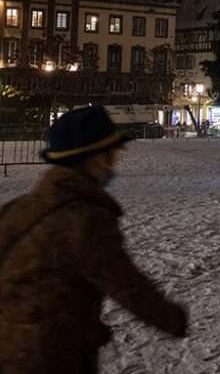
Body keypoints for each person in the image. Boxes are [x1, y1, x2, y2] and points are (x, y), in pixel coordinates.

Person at [0, 106, 187, 373]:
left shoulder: (17, 208)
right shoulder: (84, 219)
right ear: (96, 159)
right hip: (47, 355)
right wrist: (173, 319)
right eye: (111, 156)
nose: (114, 163)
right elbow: (125, 283)